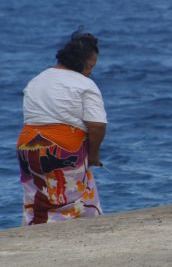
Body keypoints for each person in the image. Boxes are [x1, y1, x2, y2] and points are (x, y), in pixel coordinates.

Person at [16, 29, 107, 225]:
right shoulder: (84, 84)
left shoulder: (37, 80)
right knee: (77, 195)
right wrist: (93, 154)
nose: (90, 72)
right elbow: (97, 125)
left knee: (37, 196)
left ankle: (35, 230)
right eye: (90, 67)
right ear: (80, 62)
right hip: (62, 149)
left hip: (26, 148)